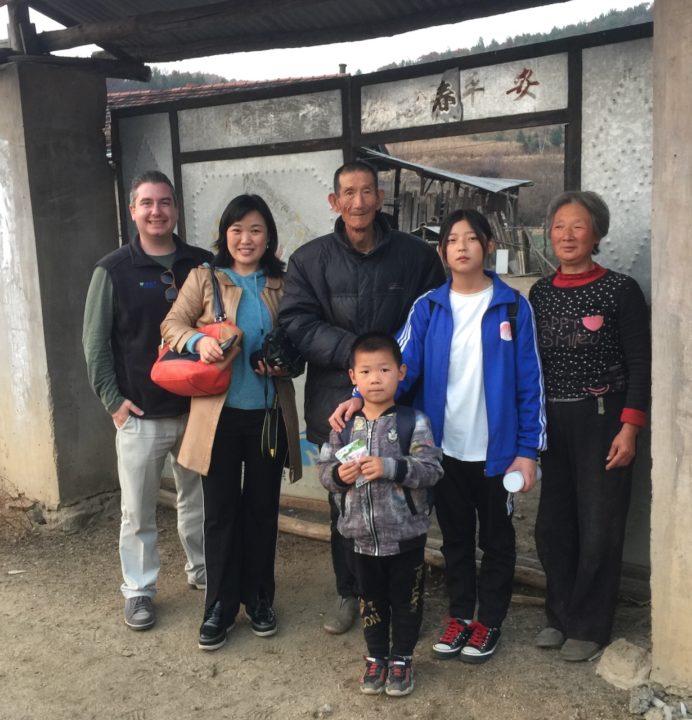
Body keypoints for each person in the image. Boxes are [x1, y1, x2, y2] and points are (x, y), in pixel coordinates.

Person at [331, 208, 546, 663]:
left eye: (472, 238)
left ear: (488, 246)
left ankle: (489, 621)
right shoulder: (429, 306)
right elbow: (397, 366)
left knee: (497, 538)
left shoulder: (511, 305)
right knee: (454, 538)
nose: (462, 246)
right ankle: (461, 616)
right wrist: (356, 396)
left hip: (497, 451)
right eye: (452, 240)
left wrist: (527, 450)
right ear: (443, 250)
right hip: (442, 451)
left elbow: (531, 382)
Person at [279, 159, 445, 634]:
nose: (358, 202)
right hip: (337, 407)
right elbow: (297, 322)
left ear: (379, 198)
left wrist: (391, 371)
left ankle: (402, 594)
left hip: (401, 405)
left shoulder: (416, 257)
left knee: (405, 495)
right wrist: (363, 357)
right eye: (348, 193)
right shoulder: (309, 260)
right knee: (345, 498)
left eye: (367, 192)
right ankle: (349, 592)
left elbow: (429, 318)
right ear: (334, 201)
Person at [160, 193, 302, 651]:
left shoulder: (283, 282)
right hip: (217, 418)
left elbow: (299, 341)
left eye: (256, 229)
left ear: (269, 237)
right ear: (224, 233)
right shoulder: (204, 278)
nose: (246, 238)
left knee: (262, 511)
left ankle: (259, 597)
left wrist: (285, 363)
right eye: (237, 229)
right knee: (219, 514)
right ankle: (219, 606)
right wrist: (196, 341)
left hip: (266, 416)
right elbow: (171, 326)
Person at [83, 170, 211, 631]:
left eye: (165, 202)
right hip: (139, 414)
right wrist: (114, 402)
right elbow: (95, 343)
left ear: (176, 209)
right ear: (133, 210)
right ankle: (138, 589)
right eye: (147, 203)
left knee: (198, 501)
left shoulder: (200, 263)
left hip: (196, 410)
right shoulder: (113, 270)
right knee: (137, 510)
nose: (157, 211)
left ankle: (203, 572)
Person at [529, 191, 650, 662]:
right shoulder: (540, 292)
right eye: (559, 226)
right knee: (552, 526)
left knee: (600, 524)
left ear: (596, 233)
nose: (567, 235)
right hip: (552, 421)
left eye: (578, 226)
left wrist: (631, 427)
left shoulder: (621, 290)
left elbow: (641, 363)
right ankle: (559, 614)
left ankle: (590, 624)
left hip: (604, 418)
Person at [318, 332, 443, 697]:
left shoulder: (413, 421)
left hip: (405, 535)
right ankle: (376, 658)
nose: (376, 378)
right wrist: (339, 476)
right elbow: (326, 472)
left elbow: (432, 470)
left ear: (401, 372)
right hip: (358, 535)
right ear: (352, 377)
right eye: (366, 371)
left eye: (385, 369)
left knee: (407, 597)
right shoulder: (343, 428)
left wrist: (390, 467)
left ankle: (402, 658)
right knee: (370, 598)